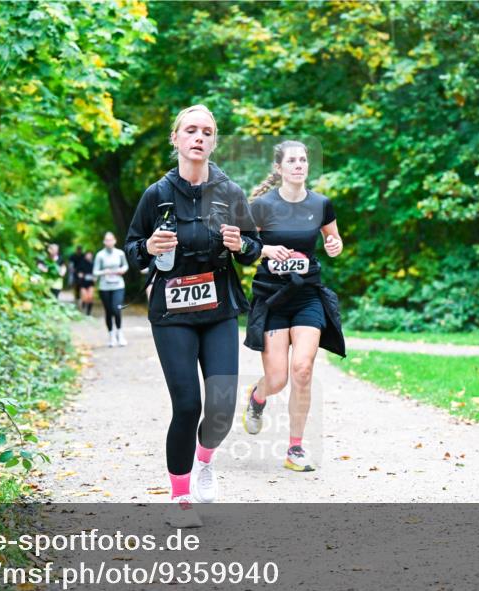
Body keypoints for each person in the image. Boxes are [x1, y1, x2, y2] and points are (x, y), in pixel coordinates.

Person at [125, 104, 262, 527]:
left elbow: (255, 247)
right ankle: (181, 496)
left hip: (219, 308)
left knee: (220, 408)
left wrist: (243, 246)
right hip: (173, 312)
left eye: (207, 131)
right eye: (190, 130)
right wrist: (148, 248)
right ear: (177, 140)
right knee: (187, 405)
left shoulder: (231, 192)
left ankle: (205, 461)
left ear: (213, 142)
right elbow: (132, 250)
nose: (198, 137)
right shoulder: (157, 195)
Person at [242, 140, 346, 473]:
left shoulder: (321, 204)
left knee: (303, 369)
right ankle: (257, 397)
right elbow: (243, 248)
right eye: (292, 160)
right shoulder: (262, 206)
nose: (299, 165)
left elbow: (334, 240)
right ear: (279, 168)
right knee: (278, 379)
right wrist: (266, 251)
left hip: (307, 295)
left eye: (303, 159)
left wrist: (334, 245)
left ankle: (295, 448)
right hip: (273, 297)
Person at [93, 231, 129, 347]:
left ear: (115, 241)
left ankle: (120, 333)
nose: (109, 242)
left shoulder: (120, 253)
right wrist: (104, 272)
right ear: (104, 242)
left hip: (118, 285)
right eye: (106, 240)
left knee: (116, 309)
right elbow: (95, 271)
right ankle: (111, 335)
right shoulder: (100, 255)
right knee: (108, 311)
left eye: (111, 239)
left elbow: (125, 266)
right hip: (104, 286)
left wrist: (122, 270)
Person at [75, 250, 96, 316]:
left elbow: (96, 273)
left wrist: (95, 277)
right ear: (85, 256)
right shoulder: (81, 263)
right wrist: (80, 275)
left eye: (90, 255)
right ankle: (83, 305)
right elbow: (78, 272)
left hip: (91, 282)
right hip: (83, 283)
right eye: (87, 255)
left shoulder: (94, 264)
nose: (89, 256)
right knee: (85, 297)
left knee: (90, 297)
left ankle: (88, 313)